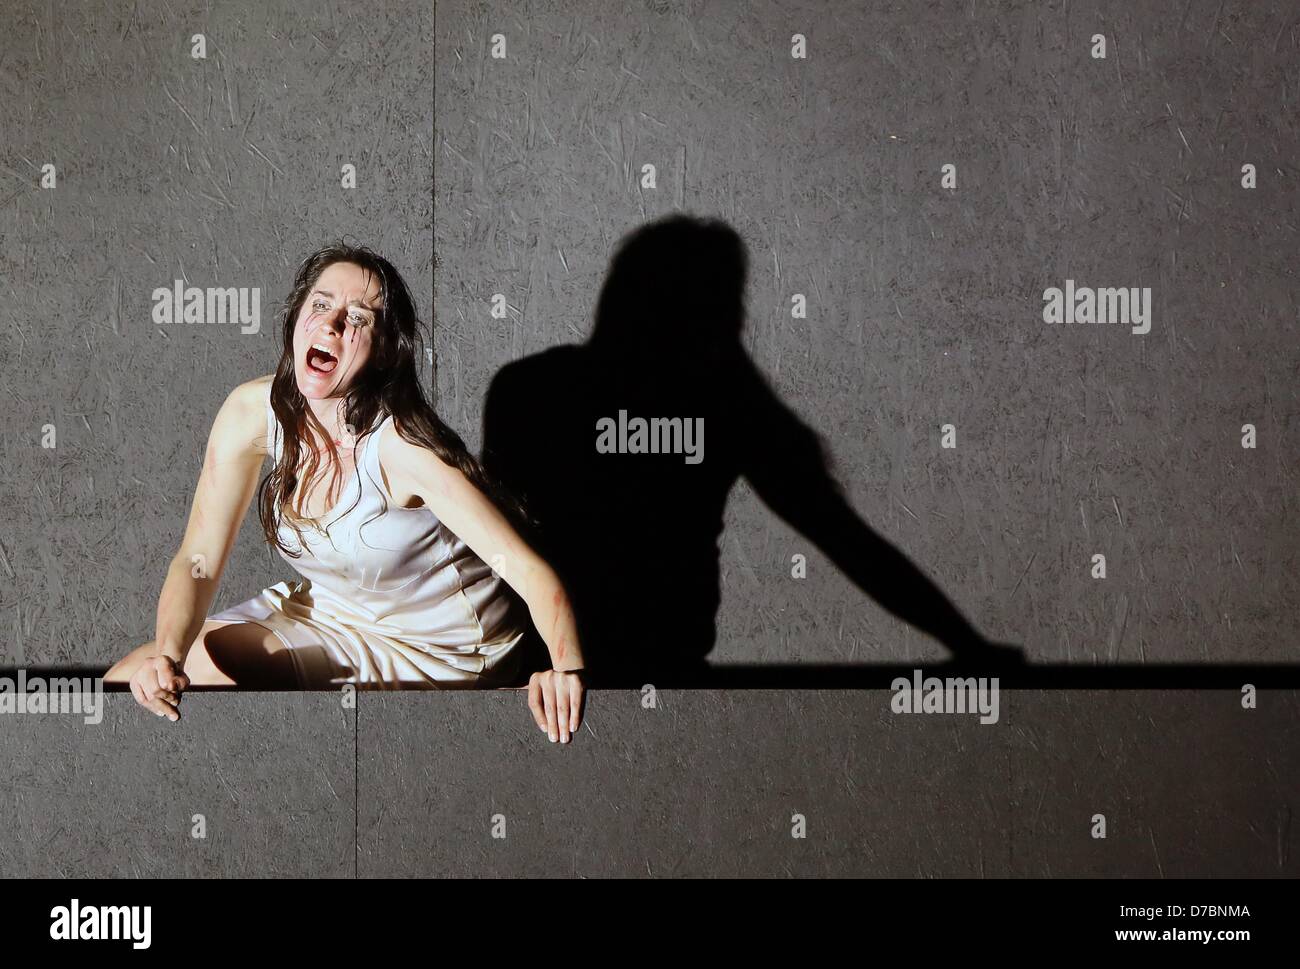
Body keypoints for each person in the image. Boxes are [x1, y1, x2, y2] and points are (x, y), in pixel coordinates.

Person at [105, 243, 585, 744]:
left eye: (357, 317)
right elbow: (198, 559)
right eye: (320, 304)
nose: (331, 324)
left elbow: (525, 569)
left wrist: (564, 670)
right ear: (295, 318)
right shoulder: (251, 410)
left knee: (213, 661)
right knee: (129, 679)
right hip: (336, 608)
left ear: (384, 350)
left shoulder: (401, 448)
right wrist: (166, 657)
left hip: (439, 646)